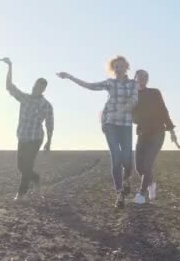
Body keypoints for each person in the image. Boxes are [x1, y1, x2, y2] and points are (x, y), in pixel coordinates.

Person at [57, 56, 138, 208]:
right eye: (115, 67)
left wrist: (119, 112)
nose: (118, 69)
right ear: (113, 69)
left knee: (127, 157)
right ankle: (119, 193)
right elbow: (90, 86)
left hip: (125, 124)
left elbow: (134, 101)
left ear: (126, 67)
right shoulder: (110, 83)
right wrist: (70, 77)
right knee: (116, 155)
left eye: (121, 66)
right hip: (110, 124)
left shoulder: (133, 84)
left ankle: (126, 179)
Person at [0, 57, 54, 201]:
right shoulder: (25, 98)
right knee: (21, 167)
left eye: (40, 87)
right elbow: (9, 86)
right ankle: (35, 178)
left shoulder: (46, 105)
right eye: (36, 86)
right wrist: (10, 66)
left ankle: (21, 194)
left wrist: (49, 142)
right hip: (22, 136)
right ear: (33, 86)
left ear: (44, 89)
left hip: (35, 138)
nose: (37, 89)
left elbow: (50, 124)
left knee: (28, 164)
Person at [132, 69, 180, 205]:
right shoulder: (132, 97)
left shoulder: (154, 92)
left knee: (148, 164)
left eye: (145, 77)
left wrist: (171, 130)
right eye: (140, 76)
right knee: (139, 167)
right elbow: (132, 117)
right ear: (134, 79)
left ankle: (141, 194)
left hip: (158, 132)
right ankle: (151, 183)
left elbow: (164, 110)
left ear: (147, 80)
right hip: (142, 134)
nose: (142, 79)